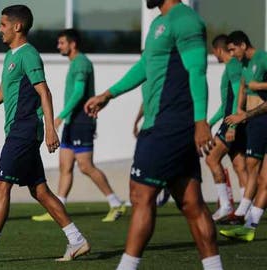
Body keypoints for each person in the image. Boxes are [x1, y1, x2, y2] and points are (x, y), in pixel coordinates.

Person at [84, 1, 222, 269]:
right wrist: (108, 94)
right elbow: (145, 67)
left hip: (168, 125)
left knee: (141, 195)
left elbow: (197, 70)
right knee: (191, 202)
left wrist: (201, 122)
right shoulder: (159, 23)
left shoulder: (185, 19)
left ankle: (127, 266)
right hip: (163, 124)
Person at [0, 5, 90, 263]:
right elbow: (4, 92)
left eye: (2, 24)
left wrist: (49, 128)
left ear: (17, 26)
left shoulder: (29, 55)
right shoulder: (11, 56)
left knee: (0, 185)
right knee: (40, 191)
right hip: (19, 130)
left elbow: (44, 92)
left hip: (25, 129)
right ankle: (77, 240)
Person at [31, 29, 125, 223]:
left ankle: (116, 203)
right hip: (72, 122)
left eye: (62, 43)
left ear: (72, 44)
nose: (59, 46)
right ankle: (58, 208)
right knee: (64, 166)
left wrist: (60, 117)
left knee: (85, 166)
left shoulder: (81, 63)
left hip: (81, 122)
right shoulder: (76, 63)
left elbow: (80, 93)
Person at [219, 31, 267, 241]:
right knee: (258, 172)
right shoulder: (245, 64)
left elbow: (253, 86)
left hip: (261, 120)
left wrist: (259, 87)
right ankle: (249, 226)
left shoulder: (262, 59)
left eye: (232, 49)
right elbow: (243, 89)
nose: (231, 54)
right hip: (254, 120)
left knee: (253, 167)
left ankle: (240, 214)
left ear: (242, 44)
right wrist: (239, 109)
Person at [205, 34, 248, 222]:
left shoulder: (232, 67)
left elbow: (240, 94)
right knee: (240, 166)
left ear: (218, 50)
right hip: (235, 121)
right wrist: (210, 122)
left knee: (211, 159)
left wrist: (232, 124)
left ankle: (225, 205)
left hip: (233, 122)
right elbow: (225, 105)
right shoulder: (233, 67)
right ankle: (246, 211)